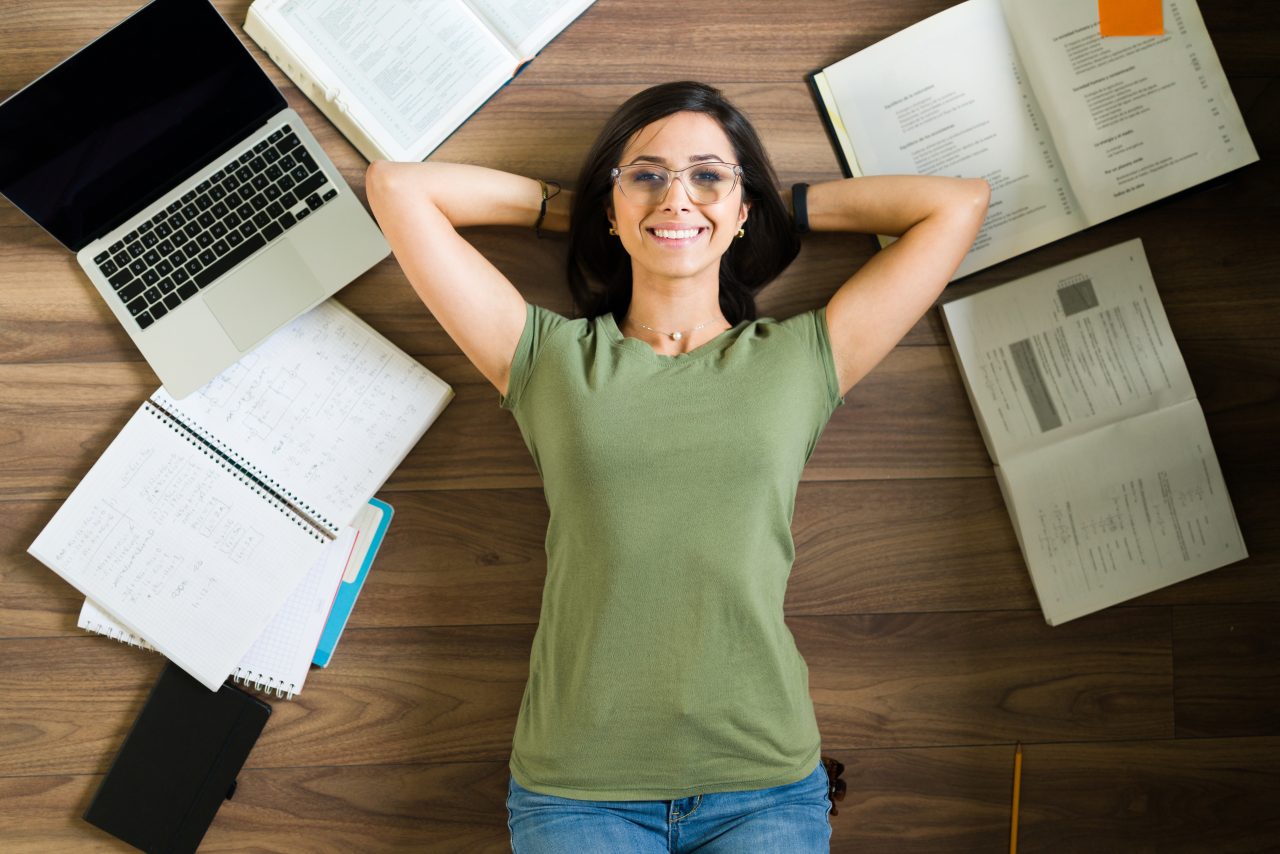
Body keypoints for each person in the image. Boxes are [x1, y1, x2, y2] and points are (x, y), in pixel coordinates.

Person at [366, 81, 989, 854]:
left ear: (742, 207)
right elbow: (397, 188)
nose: (677, 196)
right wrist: (602, 207)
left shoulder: (800, 359)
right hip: (579, 789)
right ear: (610, 202)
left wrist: (761, 206)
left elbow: (957, 204)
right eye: (648, 173)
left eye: (706, 174)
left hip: (762, 780)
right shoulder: (552, 360)